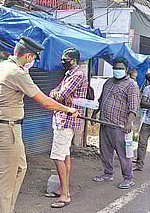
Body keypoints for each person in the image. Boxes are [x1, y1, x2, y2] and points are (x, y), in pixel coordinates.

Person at [0, 37, 79, 213]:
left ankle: (8, 208)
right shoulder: (18, 73)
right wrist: (67, 109)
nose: (33, 62)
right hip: (8, 128)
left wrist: (0, 93)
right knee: (6, 177)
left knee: (21, 168)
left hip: (10, 127)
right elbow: (44, 102)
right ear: (28, 56)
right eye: (33, 58)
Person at [46, 48, 88, 208]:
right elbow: (54, 92)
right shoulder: (69, 74)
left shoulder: (76, 75)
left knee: (57, 156)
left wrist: (58, 95)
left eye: (66, 59)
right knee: (64, 155)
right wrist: (57, 94)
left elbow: (60, 95)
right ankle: (63, 190)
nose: (63, 62)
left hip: (66, 121)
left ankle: (65, 195)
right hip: (63, 119)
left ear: (75, 60)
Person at [91, 57, 139, 189]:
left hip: (120, 126)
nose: (117, 70)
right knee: (105, 151)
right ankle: (108, 173)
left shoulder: (131, 85)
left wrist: (129, 124)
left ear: (126, 70)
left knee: (123, 154)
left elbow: (133, 107)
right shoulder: (108, 82)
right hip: (105, 123)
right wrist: (95, 114)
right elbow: (101, 100)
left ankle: (128, 178)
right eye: (115, 68)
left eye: (120, 68)